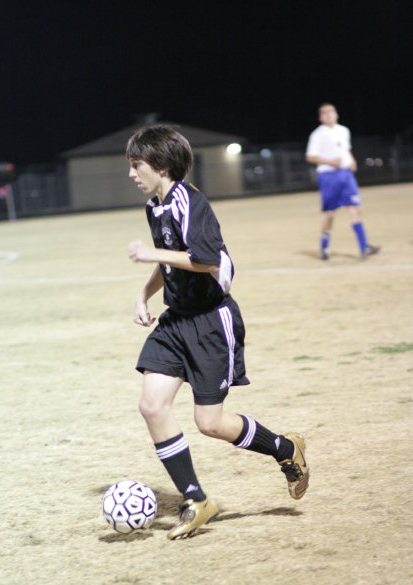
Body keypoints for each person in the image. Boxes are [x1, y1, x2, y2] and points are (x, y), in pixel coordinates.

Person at [126, 124, 309, 540]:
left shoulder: (192, 202)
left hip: (211, 321)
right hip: (176, 321)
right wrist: (144, 295)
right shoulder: (156, 206)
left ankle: (284, 448)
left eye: (137, 165)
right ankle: (196, 498)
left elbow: (205, 258)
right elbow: (171, 260)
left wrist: (150, 253)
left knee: (209, 422)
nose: (132, 174)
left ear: (161, 165)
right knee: (152, 407)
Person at [306, 103, 380, 261]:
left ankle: (363, 247)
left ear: (336, 114)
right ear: (320, 117)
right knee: (330, 214)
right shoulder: (317, 135)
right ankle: (324, 248)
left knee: (355, 208)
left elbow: (344, 149)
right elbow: (310, 156)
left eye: (331, 112)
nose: (328, 115)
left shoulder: (344, 130)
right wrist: (330, 162)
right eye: (324, 113)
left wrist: (351, 160)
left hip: (346, 175)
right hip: (328, 176)